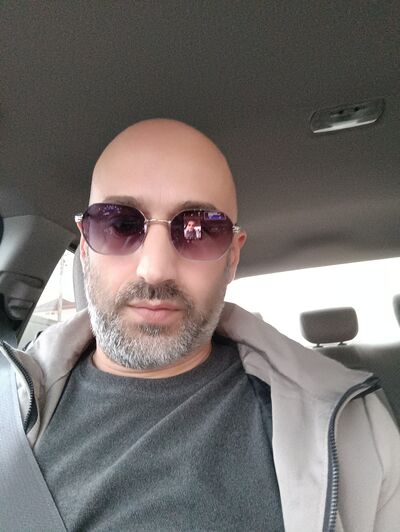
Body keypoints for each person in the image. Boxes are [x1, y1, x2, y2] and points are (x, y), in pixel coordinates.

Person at [1, 119, 399, 532]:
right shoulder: (7, 407)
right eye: (120, 224)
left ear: (232, 258)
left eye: (199, 230)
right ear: (85, 246)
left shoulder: (356, 431)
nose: (155, 270)